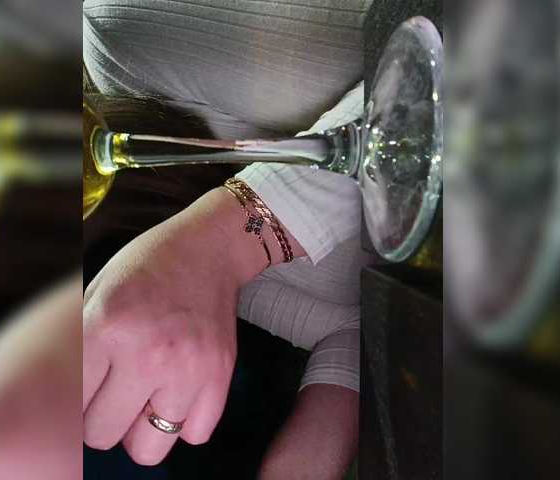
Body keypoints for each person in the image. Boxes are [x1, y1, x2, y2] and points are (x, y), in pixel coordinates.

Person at [83, 2, 370, 478]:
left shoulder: (124, 35)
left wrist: (233, 233)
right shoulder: (138, 242)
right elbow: (355, 331)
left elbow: (466, 45)